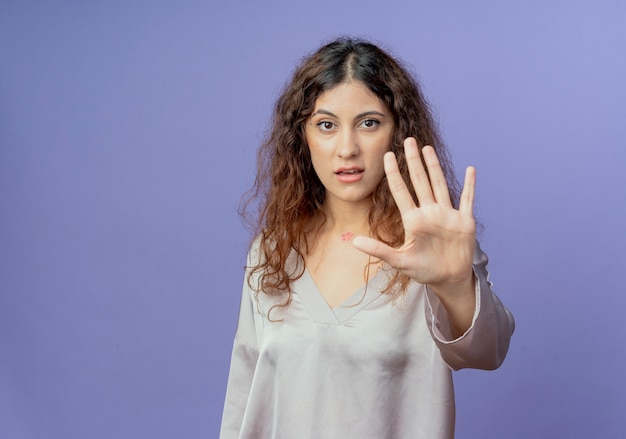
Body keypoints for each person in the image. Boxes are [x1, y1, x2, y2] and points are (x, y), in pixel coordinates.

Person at [220, 37, 515, 439]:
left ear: (397, 133)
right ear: (302, 138)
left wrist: (455, 283)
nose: (347, 148)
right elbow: (244, 395)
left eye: (369, 123)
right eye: (326, 125)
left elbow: (487, 351)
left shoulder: (432, 245)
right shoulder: (272, 250)